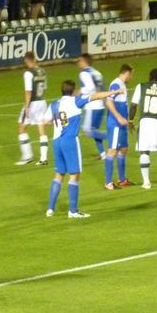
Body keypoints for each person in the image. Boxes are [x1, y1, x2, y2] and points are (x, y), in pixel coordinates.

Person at [43, 80, 121, 218]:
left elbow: (45, 122)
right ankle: (73, 211)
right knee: (75, 175)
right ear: (73, 91)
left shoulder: (54, 104)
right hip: (70, 141)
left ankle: (50, 209)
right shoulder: (75, 101)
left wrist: (58, 122)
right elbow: (96, 96)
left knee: (59, 175)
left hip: (56, 142)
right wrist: (114, 92)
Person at [129, 68, 157, 189]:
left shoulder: (141, 86)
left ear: (149, 77)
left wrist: (130, 121)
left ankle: (146, 182)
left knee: (144, 151)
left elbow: (133, 106)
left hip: (144, 121)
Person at [102, 64, 136, 190]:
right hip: (116, 124)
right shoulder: (116, 84)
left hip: (122, 124)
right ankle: (108, 183)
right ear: (127, 73)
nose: (132, 77)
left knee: (124, 149)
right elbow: (109, 102)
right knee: (113, 150)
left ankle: (122, 180)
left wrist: (128, 121)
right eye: (131, 74)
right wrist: (118, 117)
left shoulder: (122, 85)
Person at [16, 51, 48, 166]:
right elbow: (44, 88)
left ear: (26, 61)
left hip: (33, 103)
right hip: (42, 101)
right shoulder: (42, 71)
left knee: (21, 127)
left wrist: (27, 107)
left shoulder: (28, 73)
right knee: (41, 128)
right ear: (34, 59)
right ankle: (43, 157)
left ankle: (27, 156)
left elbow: (28, 92)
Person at [77, 53, 107, 159]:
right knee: (93, 130)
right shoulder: (97, 72)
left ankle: (112, 138)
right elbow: (102, 88)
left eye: (79, 61)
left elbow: (90, 88)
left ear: (85, 61)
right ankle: (103, 154)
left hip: (92, 105)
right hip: (100, 105)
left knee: (88, 131)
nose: (78, 63)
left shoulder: (84, 73)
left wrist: (80, 91)